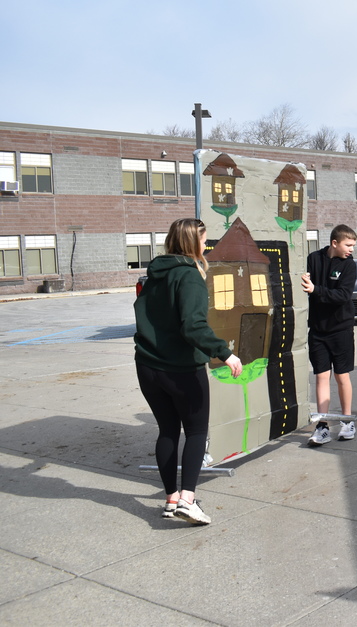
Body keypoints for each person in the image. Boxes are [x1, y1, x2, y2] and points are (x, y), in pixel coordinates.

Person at [134, 218, 242, 525]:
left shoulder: (155, 273)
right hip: (181, 369)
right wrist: (226, 354)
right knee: (196, 432)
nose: (206, 245)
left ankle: (171, 498)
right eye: (204, 240)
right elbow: (193, 326)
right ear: (191, 242)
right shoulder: (190, 276)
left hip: (148, 367)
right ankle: (187, 500)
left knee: (167, 431)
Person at [301, 224, 357, 445]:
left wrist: (316, 290)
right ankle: (322, 426)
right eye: (348, 245)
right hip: (318, 330)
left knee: (341, 376)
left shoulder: (349, 266)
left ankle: (347, 421)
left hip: (341, 330)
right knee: (321, 377)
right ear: (335, 243)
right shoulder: (314, 259)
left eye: (353, 245)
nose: (351, 249)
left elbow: (342, 295)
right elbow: (305, 283)